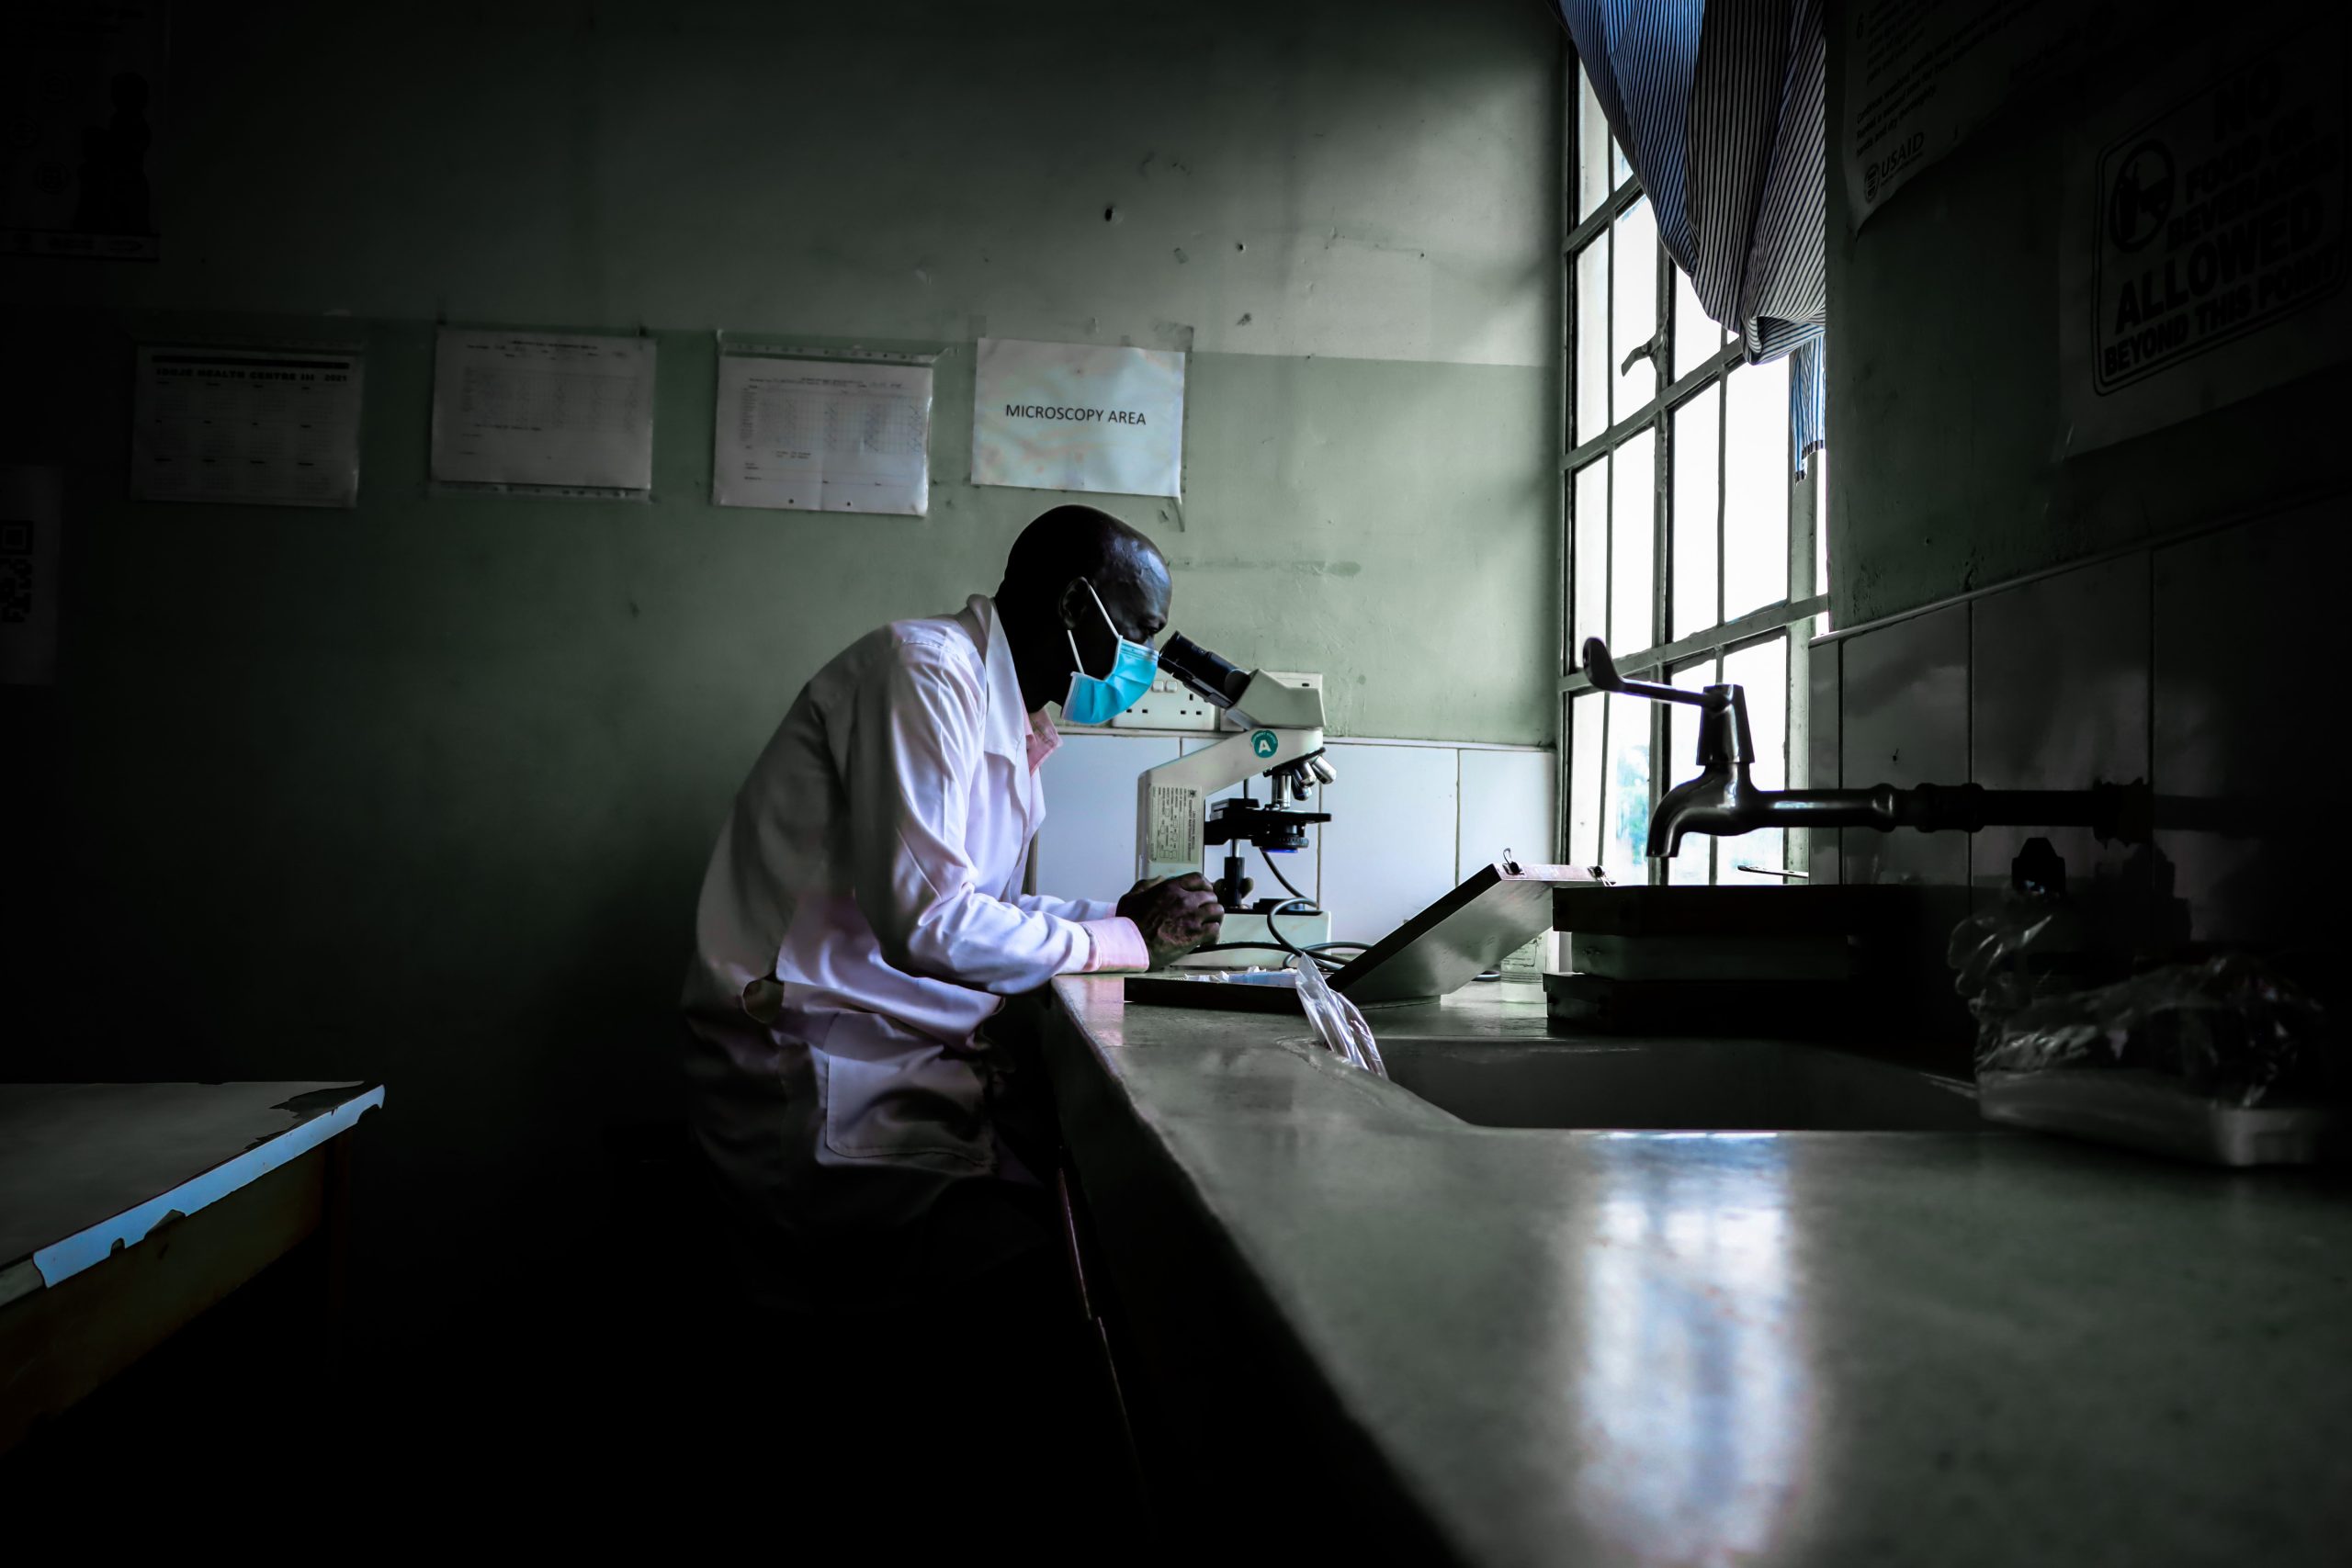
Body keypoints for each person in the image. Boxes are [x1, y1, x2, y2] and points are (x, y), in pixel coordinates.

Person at [680, 503, 1226, 1316]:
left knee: (1099, 1227)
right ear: (1077, 607)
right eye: (1141, 634)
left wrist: (1115, 914)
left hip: (896, 1056)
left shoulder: (1005, 712)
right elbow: (929, 922)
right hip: (823, 1068)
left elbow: (985, 907)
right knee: (1065, 1290)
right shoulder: (926, 672)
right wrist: (1119, 940)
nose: (1145, 663)